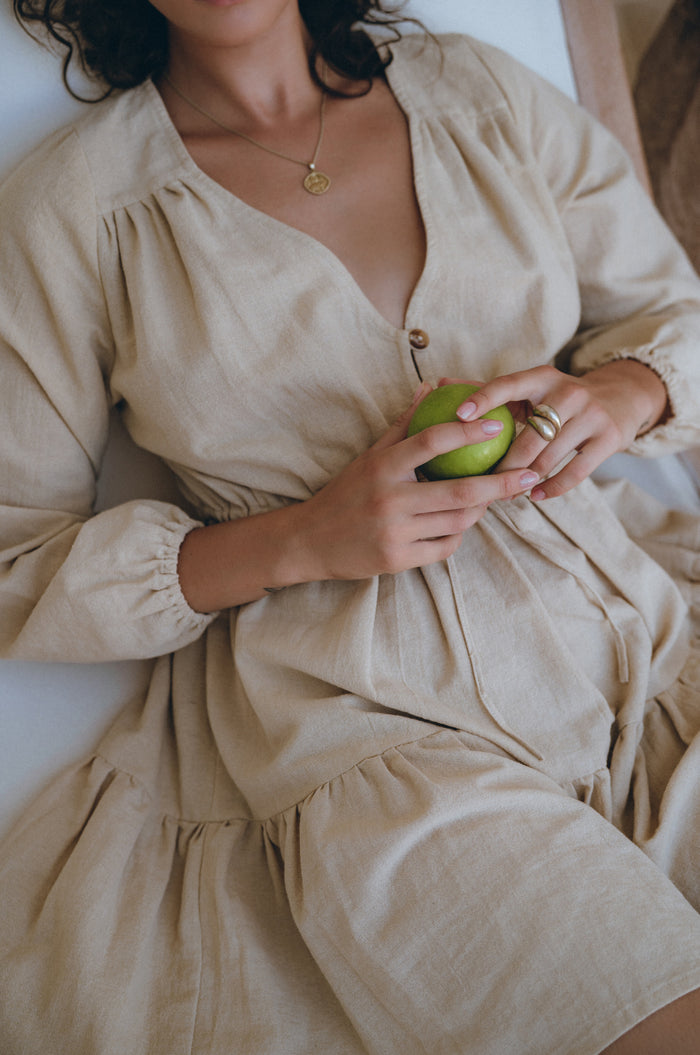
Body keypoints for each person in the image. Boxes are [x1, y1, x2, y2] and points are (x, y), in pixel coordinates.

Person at [1, 1, 700, 1052]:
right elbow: (17, 561)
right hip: (377, 735)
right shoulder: (78, 206)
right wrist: (305, 536)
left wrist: (623, 391)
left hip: (652, 648)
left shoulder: (476, 93)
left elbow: (672, 315)